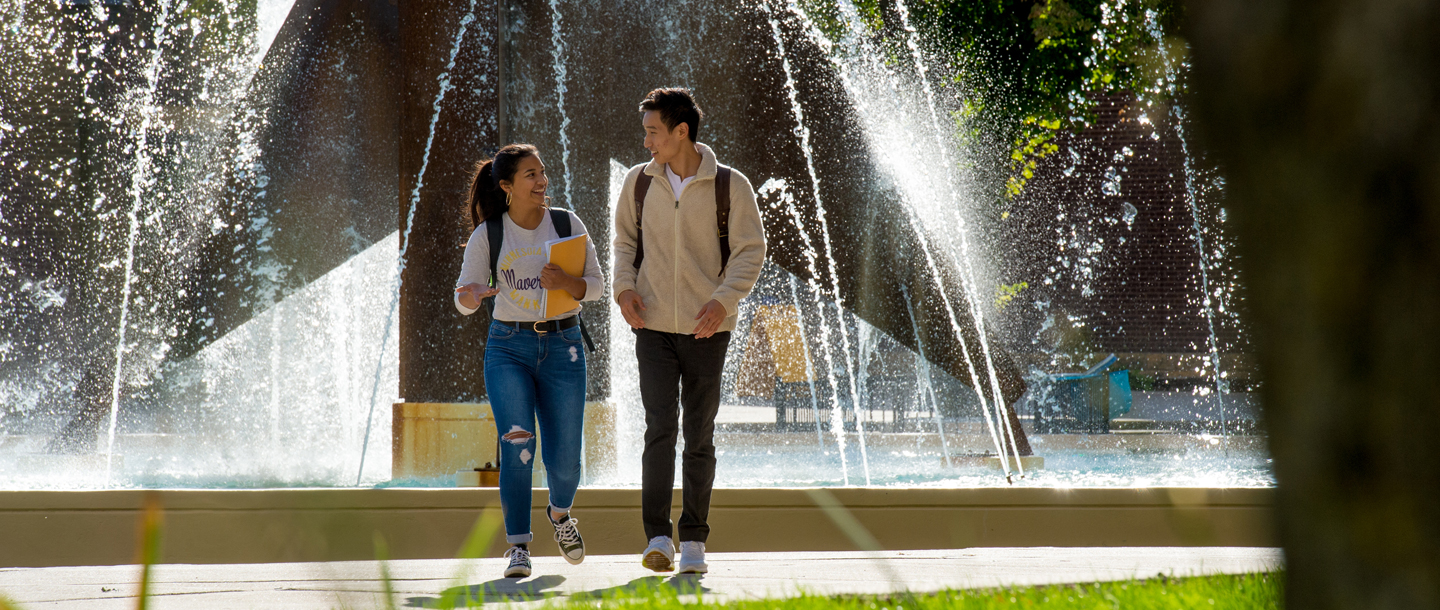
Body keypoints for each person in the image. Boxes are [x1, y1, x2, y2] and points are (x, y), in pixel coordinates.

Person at [612, 88, 767, 574]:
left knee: (699, 434)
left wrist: (723, 302)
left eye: (653, 132)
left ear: (682, 131)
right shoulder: (639, 183)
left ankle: (694, 539)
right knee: (659, 428)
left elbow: (749, 250)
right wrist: (623, 290)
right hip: (652, 326)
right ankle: (657, 536)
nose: (646, 143)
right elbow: (623, 242)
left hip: (707, 329)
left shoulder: (729, 185)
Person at [454, 143, 604, 578]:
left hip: (564, 345)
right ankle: (518, 545)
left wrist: (568, 281)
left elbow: (594, 286)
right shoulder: (490, 235)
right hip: (508, 348)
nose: (542, 182)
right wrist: (471, 295)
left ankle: (560, 515)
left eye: (542, 173)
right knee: (517, 445)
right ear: (507, 186)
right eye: (531, 176)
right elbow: (463, 296)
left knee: (565, 459)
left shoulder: (566, 225)